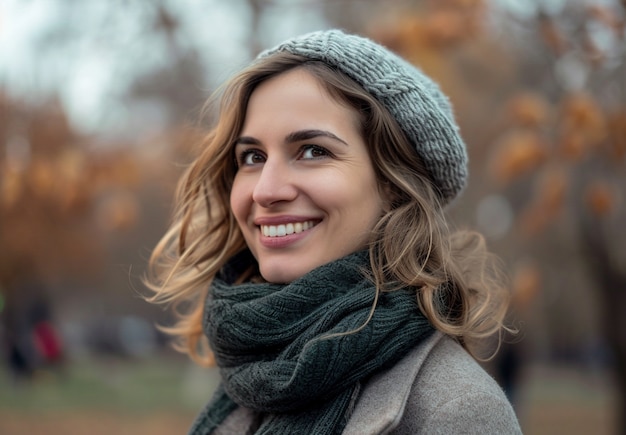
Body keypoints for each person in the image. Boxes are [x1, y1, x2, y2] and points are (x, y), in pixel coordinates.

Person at [145, 29, 522, 434]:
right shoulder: (253, 376)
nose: (267, 190)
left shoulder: (458, 410)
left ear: (394, 184)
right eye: (252, 156)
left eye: (312, 151)